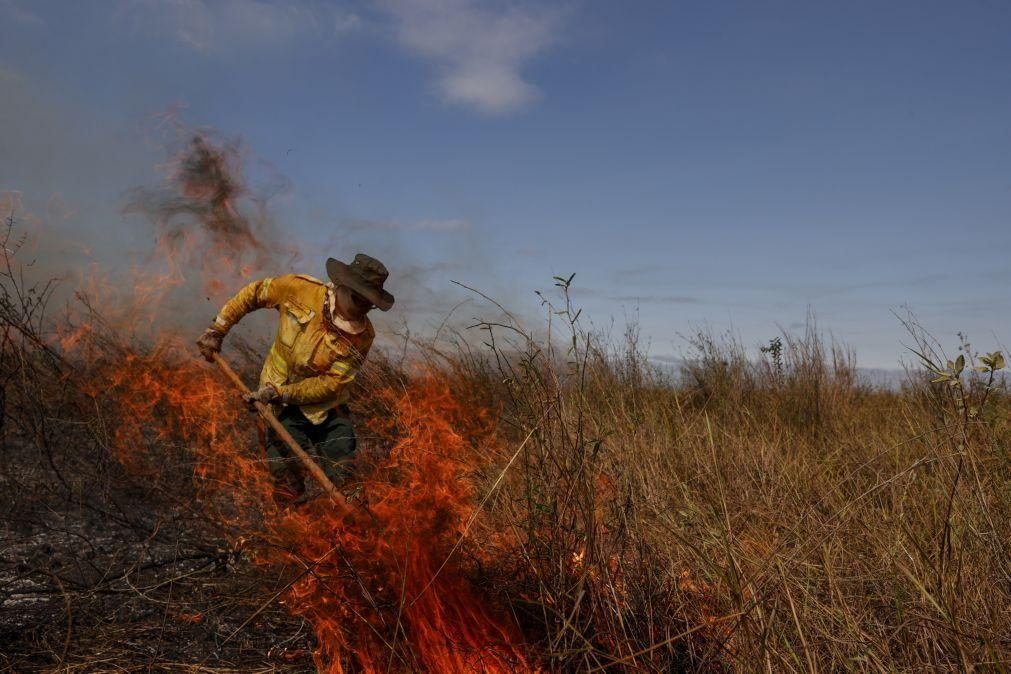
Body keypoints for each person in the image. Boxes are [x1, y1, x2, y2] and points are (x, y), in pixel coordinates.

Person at [196, 254, 394, 500]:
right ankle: (297, 524)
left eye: (368, 304)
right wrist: (218, 329)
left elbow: (332, 384)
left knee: (346, 477)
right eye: (358, 299)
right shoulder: (298, 289)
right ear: (342, 286)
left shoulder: (363, 336)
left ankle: (351, 526)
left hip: (328, 406)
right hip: (277, 402)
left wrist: (284, 394)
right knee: (286, 479)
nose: (362, 307)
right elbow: (255, 293)